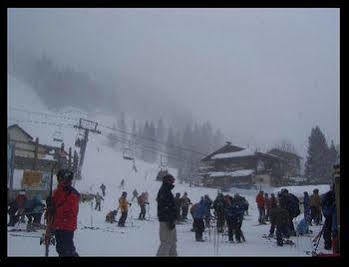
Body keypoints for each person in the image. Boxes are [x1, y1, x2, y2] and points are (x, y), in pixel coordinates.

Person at [48, 168, 80, 257]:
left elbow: (70, 210)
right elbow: (54, 203)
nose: (63, 182)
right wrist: (50, 202)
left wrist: (55, 209)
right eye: (60, 179)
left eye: (66, 180)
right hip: (58, 224)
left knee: (68, 250)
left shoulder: (73, 194)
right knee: (60, 249)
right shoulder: (57, 191)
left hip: (67, 226)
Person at [156, 174, 178, 256]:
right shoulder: (164, 191)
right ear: (167, 181)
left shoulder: (167, 191)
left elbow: (170, 207)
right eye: (172, 181)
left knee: (172, 242)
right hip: (166, 221)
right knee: (166, 242)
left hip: (169, 220)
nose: (173, 183)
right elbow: (165, 207)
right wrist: (170, 220)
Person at [321, 184, 336, 250]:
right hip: (330, 216)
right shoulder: (328, 196)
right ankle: (328, 244)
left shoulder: (328, 195)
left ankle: (330, 244)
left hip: (331, 216)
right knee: (327, 230)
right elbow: (325, 210)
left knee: (328, 230)